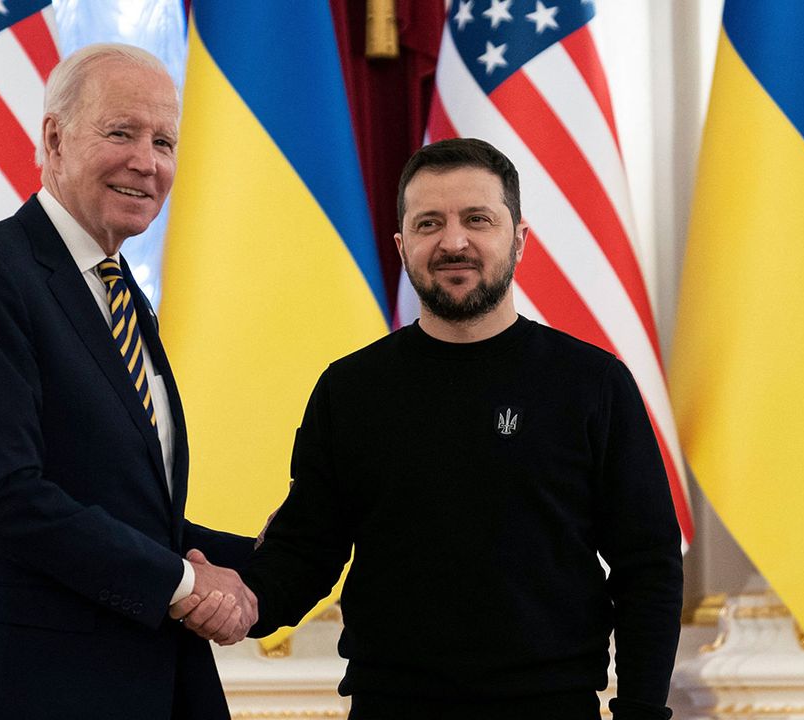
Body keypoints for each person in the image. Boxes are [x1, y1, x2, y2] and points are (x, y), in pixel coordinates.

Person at [234, 138, 684, 719]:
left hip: (552, 708)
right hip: (390, 708)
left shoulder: (592, 384)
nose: (453, 242)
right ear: (402, 246)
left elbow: (647, 566)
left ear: (519, 239)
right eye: (429, 223)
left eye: (478, 219)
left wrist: (643, 712)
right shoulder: (349, 390)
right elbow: (306, 552)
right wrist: (229, 597)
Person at [0, 44, 257, 720]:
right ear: (55, 138)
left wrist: (277, 555)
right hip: (13, 692)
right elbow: (4, 497)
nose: (147, 161)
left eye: (164, 141)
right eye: (121, 132)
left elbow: (126, 512)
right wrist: (184, 585)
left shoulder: (121, 298)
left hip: (130, 684)